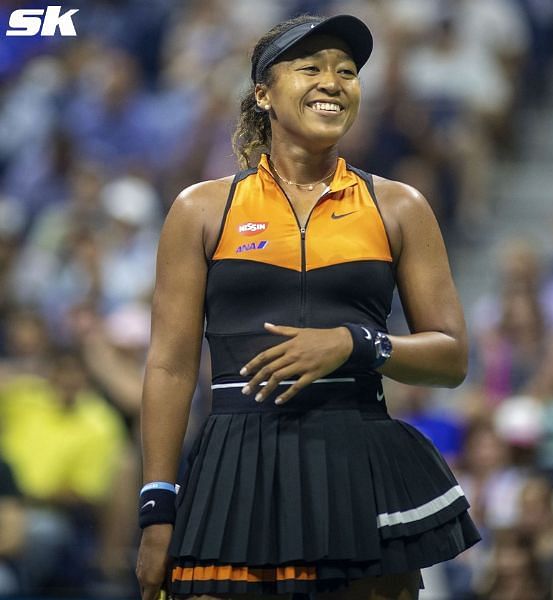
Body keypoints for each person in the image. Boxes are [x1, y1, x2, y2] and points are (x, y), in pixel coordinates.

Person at [135, 14, 480, 599]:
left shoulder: (399, 206)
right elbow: (169, 366)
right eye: (311, 67)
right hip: (233, 467)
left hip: (358, 466)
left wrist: (355, 343)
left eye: (347, 71)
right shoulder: (201, 209)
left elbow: (451, 358)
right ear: (264, 94)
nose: (333, 81)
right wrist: (156, 506)